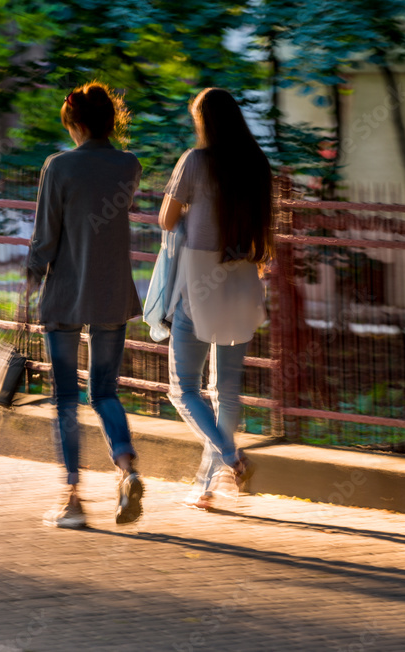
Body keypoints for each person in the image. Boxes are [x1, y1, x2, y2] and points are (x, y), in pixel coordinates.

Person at [28, 81, 145, 529]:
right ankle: (127, 467)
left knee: (65, 400)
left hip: (63, 296)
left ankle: (73, 499)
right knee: (104, 392)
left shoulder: (58, 167)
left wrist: (31, 276)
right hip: (112, 294)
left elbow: (46, 237)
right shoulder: (128, 165)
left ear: (75, 124)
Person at [158, 87, 272, 510]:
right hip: (243, 281)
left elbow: (167, 219)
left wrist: (194, 210)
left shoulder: (196, 161)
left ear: (203, 121)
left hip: (200, 283)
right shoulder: (258, 166)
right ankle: (209, 486)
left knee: (182, 388)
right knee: (226, 390)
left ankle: (230, 458)